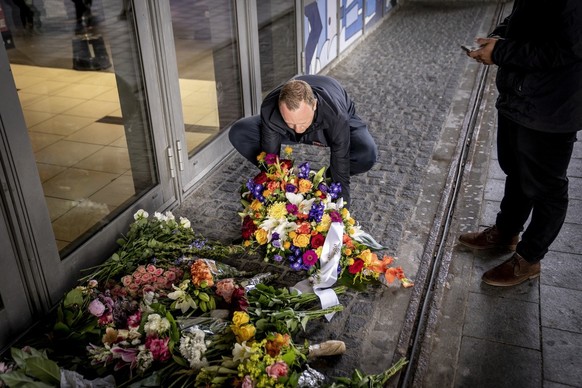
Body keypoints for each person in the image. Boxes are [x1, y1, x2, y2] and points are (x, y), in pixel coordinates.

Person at [458, 0, 582, 287]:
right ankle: (507, 231)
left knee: (547, 187)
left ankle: (529, 258)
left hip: (551, 105)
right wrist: (500, 37)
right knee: (515, 168)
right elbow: (526, 18)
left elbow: (567, 48)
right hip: (520, 95)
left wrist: (501, 51)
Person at [229, 74, 378, 208]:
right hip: (289, 128)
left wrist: (341, 210)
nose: (298, 130)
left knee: (366, 152)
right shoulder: (270, 108)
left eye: (301, 123)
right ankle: (290, 176)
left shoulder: (336, 115)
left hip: (329, 125)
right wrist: (277, 187)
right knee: (239, 132)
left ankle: (327, 177)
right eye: (290, 122)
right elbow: (270, 157)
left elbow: (341, 159)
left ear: (314, 105)